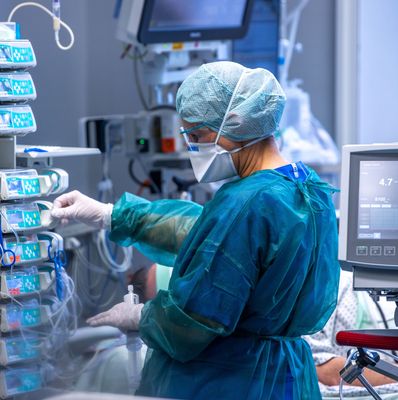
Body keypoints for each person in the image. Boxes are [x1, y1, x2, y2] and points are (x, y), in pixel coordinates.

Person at [51, 61, 340, 399]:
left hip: (233, 380)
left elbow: (194, 321)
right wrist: (112, 215)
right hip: (287, 377)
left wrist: (143, 317)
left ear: (237, 123)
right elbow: (208, 237)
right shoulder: (308, 189)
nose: (192, 147)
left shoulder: (246, 202)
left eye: (198, 135)